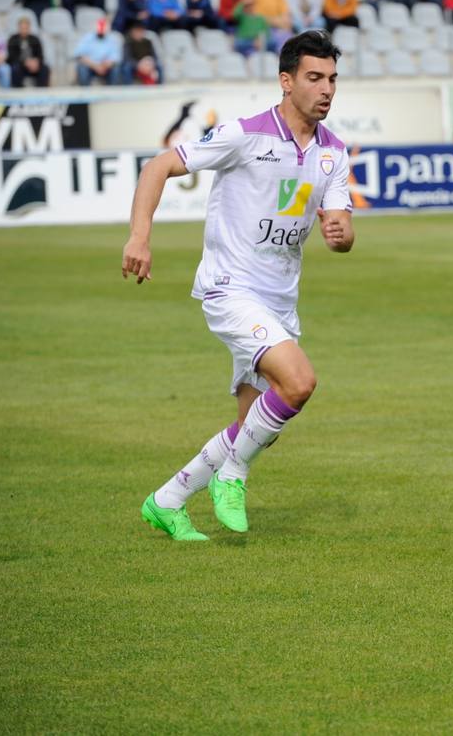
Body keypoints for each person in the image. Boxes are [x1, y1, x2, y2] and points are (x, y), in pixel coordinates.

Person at [125, 29, 355, 541]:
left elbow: (340, 229)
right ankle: (232, 476)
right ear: (286, 81)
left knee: (251, 426)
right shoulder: (244, 134)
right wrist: (140, 237)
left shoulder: (333, 152)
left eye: (333, 79)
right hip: (231, 288)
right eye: (315, 78)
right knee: (298, 383)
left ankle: (168, 500)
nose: (327, 89)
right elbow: (159, 165)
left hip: (279, 299)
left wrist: (341, 234)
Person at [74, 17, 122, 85]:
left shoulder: (112, 39)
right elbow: (80, 55)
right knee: (82, 68)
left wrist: (105, 65)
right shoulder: (87, 38)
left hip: (106, 67)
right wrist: (95, 66)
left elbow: (115, 58)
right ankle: (84, 92)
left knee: (116, 69)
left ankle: (112, 92)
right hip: (91, 66)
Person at [8, 17, 49, 88]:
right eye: (22, 28)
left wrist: (36, 62)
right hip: (20, 65)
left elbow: (40, 55)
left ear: (29, 28)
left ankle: (42, 91)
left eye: (26, 28)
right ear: (19, 28)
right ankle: (17, 91)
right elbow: (12, 57)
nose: (24, 30)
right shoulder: (13, 39)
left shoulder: (35, 39)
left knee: (45, 69)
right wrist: (25, 62)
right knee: (15, 69)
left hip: (34, 65)